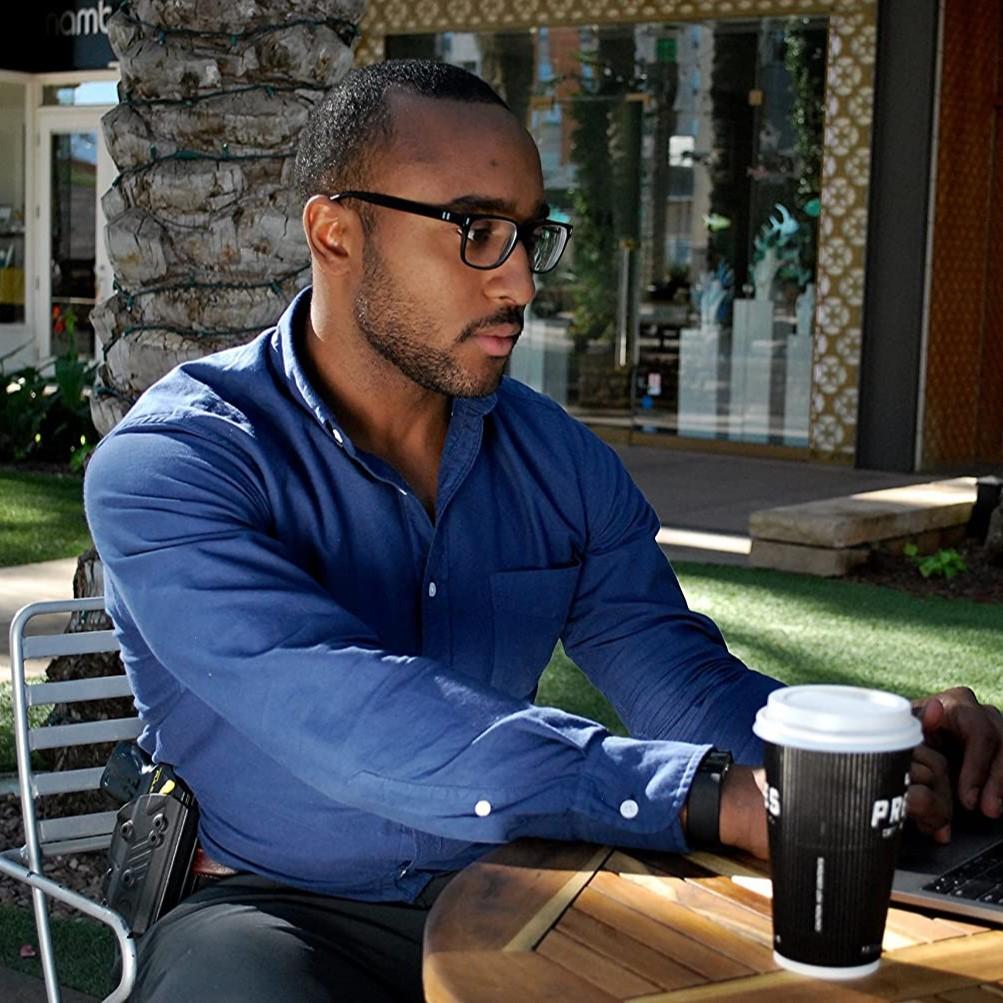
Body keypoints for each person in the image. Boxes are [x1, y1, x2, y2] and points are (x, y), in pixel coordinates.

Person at [84, 60, 1002, 1002]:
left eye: (528, 236)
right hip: (270, 911)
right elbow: (348, 708)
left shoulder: (559, 462)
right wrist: (705, 795)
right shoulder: (176, 465)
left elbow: (680, 680)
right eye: (476, 230)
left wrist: (864, 759)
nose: (521, 281)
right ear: (336, 233)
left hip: (517, 891)